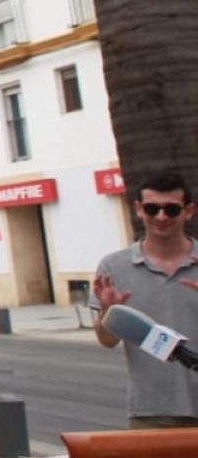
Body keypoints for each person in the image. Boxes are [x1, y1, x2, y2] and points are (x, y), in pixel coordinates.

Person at [90, 171, 198, 429]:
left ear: (188, 211)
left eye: (171, 209)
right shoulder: (114, 266)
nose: (161, 217)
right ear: (139, 209)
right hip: (152, 410)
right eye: (152, 208)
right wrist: (108, 312)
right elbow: (107, 341)